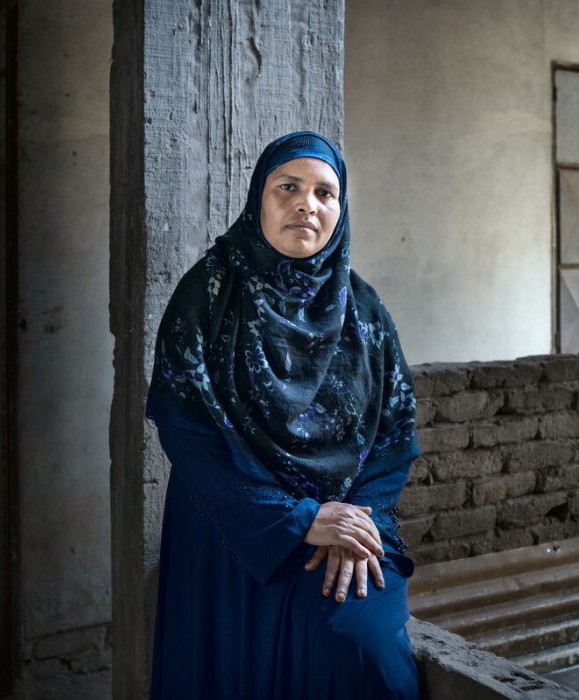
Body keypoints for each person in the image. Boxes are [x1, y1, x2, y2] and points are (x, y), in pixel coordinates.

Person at [146, 131, 421, 700]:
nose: (307, 204)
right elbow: (189, 434)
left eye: (326, 193)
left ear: (340, 212)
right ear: (259, 198)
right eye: (288, 187)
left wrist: (349, 523)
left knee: (367, 656)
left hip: (343, 532)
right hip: (233, 527)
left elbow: (392, 439)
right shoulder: (209, 294)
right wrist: (296, 520)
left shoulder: (364, 312)